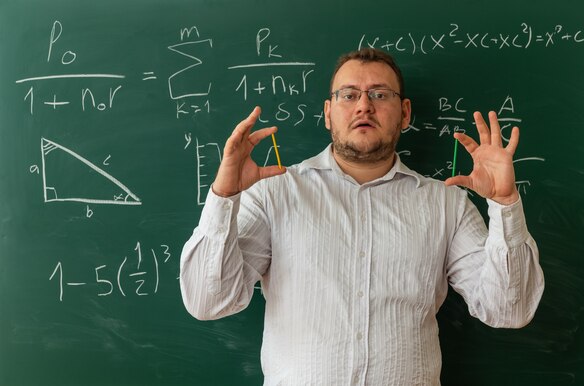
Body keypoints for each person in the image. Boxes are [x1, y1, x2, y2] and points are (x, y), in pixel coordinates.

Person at [180, 48, 544, 386]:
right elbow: (208, 301)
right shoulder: (275, 193)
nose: (364, 106)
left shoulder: (446, 204)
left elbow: (508, 309)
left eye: (380, 94)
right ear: (328, 112)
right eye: (349, 94)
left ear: (404, 114)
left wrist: (504, 201)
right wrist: (224, 196)